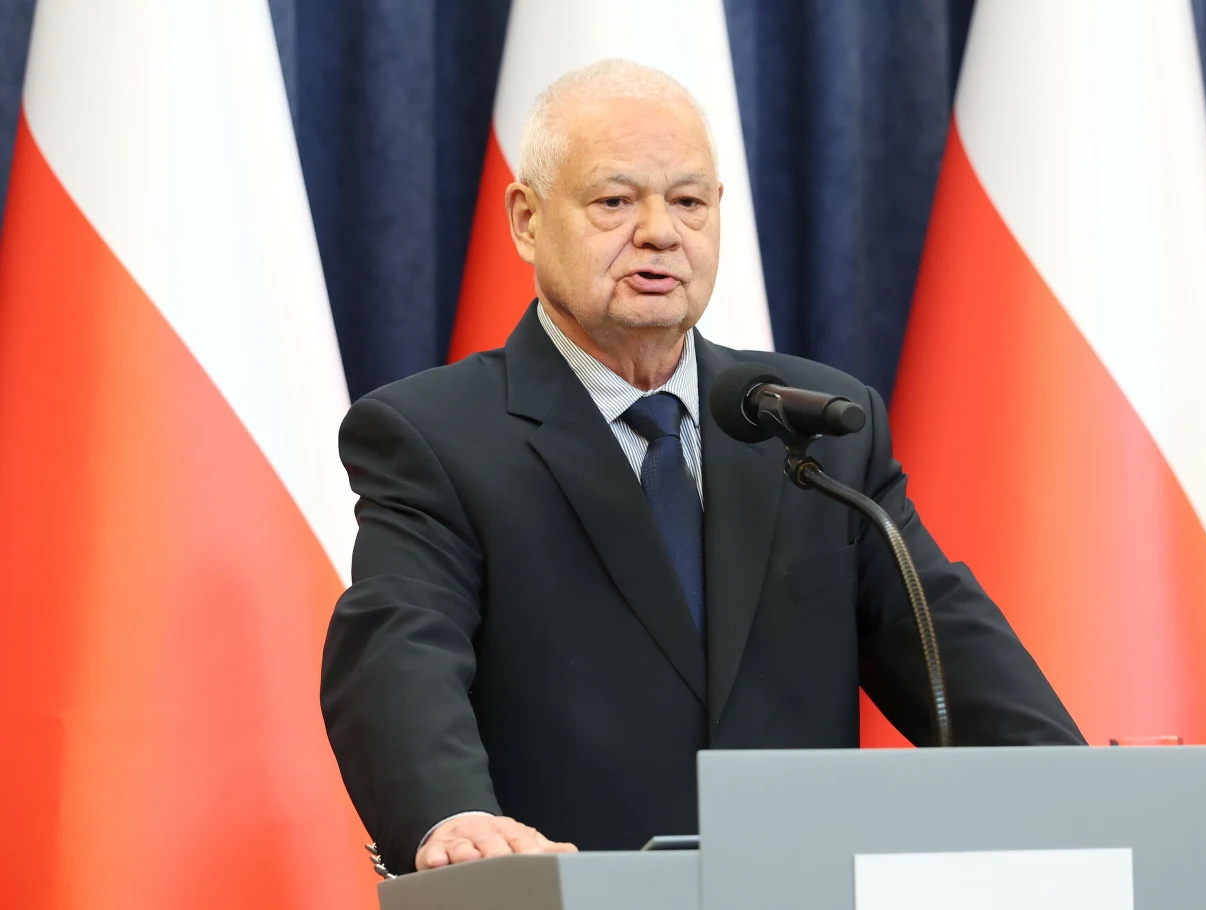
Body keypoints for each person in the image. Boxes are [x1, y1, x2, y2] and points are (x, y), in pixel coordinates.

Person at [320, 58, 1084, 877]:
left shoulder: (813, 428)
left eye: (688, 202)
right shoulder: (436, 436)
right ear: (528, 220)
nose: (660, 233)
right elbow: (401, 650)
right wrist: (451, 812)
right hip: (575, 889)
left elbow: (946, 643)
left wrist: (1086, 795)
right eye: (615, 201)